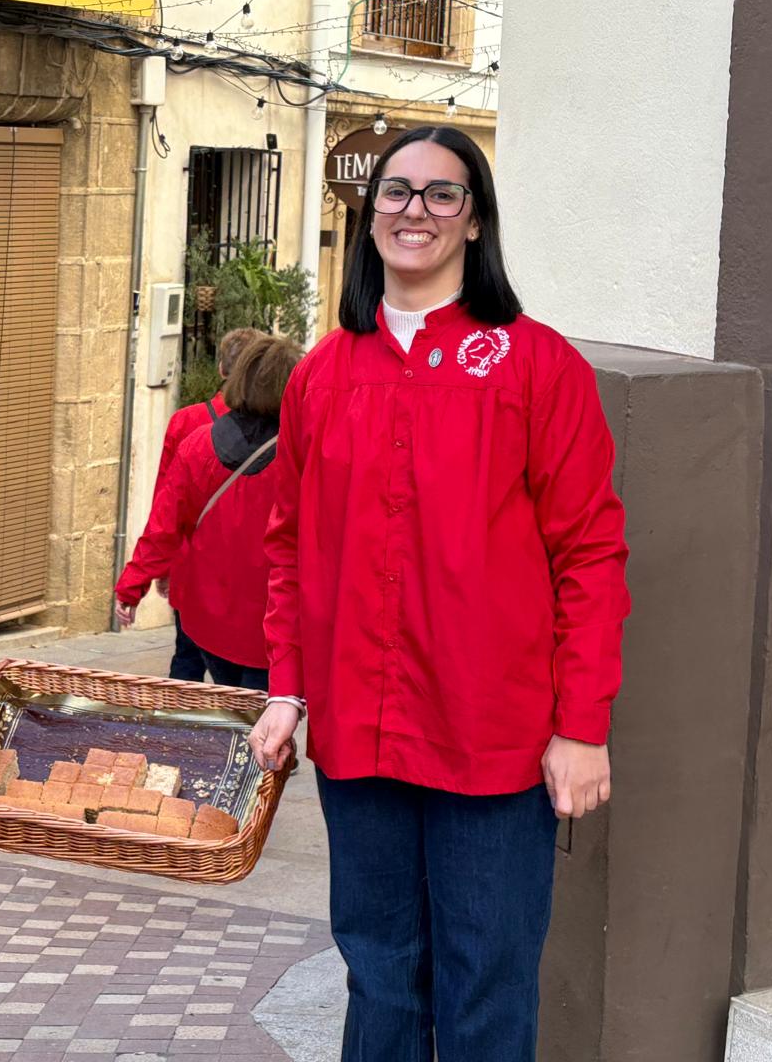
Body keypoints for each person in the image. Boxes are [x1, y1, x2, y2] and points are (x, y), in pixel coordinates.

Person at [249, 126, 630, 1062]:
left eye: (440, 194)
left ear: (473, 221)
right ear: (368, 212)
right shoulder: (322, 376)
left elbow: (591, 554)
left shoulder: (538, 367)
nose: (412, 211)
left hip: (492, 744)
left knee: (486, 985)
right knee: (378, 974)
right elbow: (290, 546)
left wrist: (581, 725)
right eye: (394, 191)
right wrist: (289, 688)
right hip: (359, 739)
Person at [114, 333, 303, 691]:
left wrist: (131, 587)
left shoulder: (197, 445)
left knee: (227, 712)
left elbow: (162, 526)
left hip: (211, 621)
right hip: (275, 625)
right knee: (263, 730)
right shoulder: (307, 456)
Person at [151, 325, 264, 680]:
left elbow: (165, 502)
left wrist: (161, 566)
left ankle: (182, 732)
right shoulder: (278, 428)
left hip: (193, 569)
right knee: (250, 676)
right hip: (251, 574)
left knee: (186, 657)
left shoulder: (186, 421)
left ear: (221, 370)